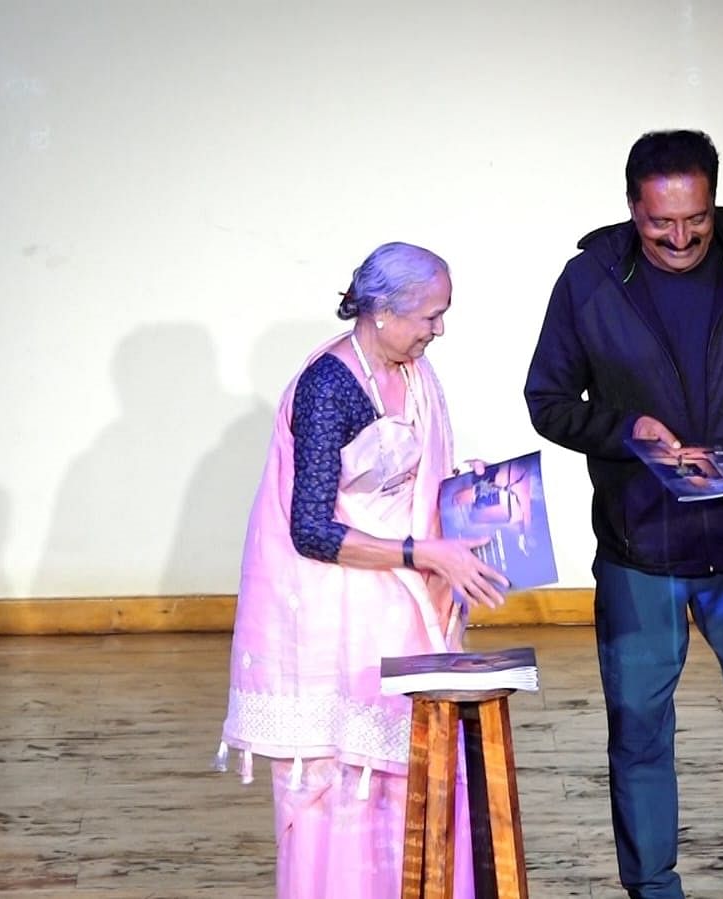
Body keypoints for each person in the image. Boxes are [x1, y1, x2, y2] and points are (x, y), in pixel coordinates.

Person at [524, 129, 723, 899]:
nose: (680, 235)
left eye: (694, 217)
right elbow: (549, 402)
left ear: (713, 199)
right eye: (661, 222)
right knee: (637, 735)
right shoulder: (588, 281)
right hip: (640, 551)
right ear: (632, 207)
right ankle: (653, 889)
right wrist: (626, 432)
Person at [216, 241, 509, 899]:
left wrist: (462, 497)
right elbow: (312, 528)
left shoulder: (415, 376)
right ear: (381, 311)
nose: (438, 329)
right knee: (345, 791)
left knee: (416, 778)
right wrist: (420, 552)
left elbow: (410, 480)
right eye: (430, 316)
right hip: (334, 616)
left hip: (397, 611)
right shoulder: (329, 386)